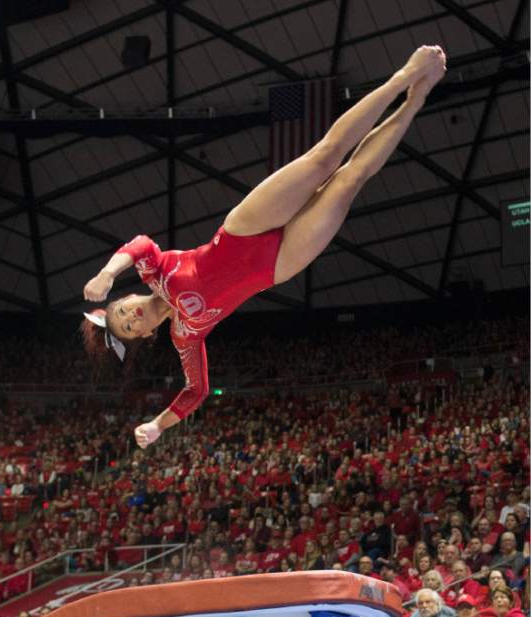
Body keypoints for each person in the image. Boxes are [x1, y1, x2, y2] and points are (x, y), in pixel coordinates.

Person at [82, 47, 446, 447]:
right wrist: (158, 425)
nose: (131, 317)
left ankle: (402, 77)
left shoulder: (153, 274)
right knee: (349, 180)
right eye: (129, 328)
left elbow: (139, 245)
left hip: (243, 229)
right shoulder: (184, 337)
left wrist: (106, 273)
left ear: (125, 298)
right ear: (144, 336)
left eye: (121, 311)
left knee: (325, 157)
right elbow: (196, 390)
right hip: (276, 265)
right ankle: (415, 100)